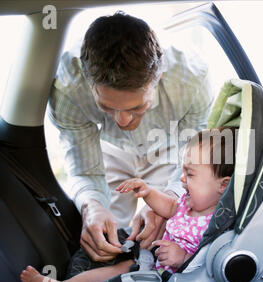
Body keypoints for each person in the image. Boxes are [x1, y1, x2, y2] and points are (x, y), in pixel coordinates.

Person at [48, 11, 214, 262]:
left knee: (167, 231)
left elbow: (194, 162)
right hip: (108, 150)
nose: (122, 121)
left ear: (158, 77)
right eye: (107, 107)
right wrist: (91, 206)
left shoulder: (193, 79)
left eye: (136, 107)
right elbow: (85, 171)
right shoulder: (66, 91)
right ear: (87, 82)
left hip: (169, 148)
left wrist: (169, 200)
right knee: (104, 233)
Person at [20, 127, 237, 282]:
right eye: (182, 171)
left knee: (123, 280)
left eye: (189, 174)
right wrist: (148, 191)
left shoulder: (220, 225)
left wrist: (183, 259)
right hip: (151, 263)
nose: (181, 179)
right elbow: (169, 206)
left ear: (223, 186)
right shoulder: (187, 203)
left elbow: (212, 265)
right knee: (120, 268)